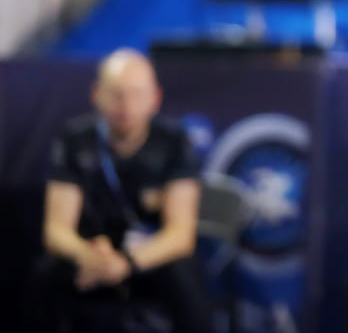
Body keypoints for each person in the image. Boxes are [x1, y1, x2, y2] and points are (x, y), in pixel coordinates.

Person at [20, 48, 213, 333]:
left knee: (185, 272)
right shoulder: (76, 139)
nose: (126, 105)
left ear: (155, 98)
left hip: (149, 255)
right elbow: (56, 230)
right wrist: (89, 256)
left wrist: (127, 264)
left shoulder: (174, 141)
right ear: (96, 94)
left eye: (136, 94)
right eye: (117, 93)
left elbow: (180, 235)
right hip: (92, 253)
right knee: (45, 274)